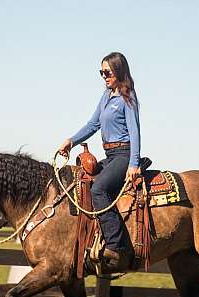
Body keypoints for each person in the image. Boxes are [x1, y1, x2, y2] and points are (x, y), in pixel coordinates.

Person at [58, 51, 141, 271]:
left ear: (119, 71)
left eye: (107, 72)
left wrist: (134, 164)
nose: (104, 76)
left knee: (99, 190)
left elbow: (135, 133)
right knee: (81, 181)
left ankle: (117, 245)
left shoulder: (127, 97)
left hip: (123, 154)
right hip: (110, 155)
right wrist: (71, 141)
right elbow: (92, 125)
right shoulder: (105, 97)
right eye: (101, 72)